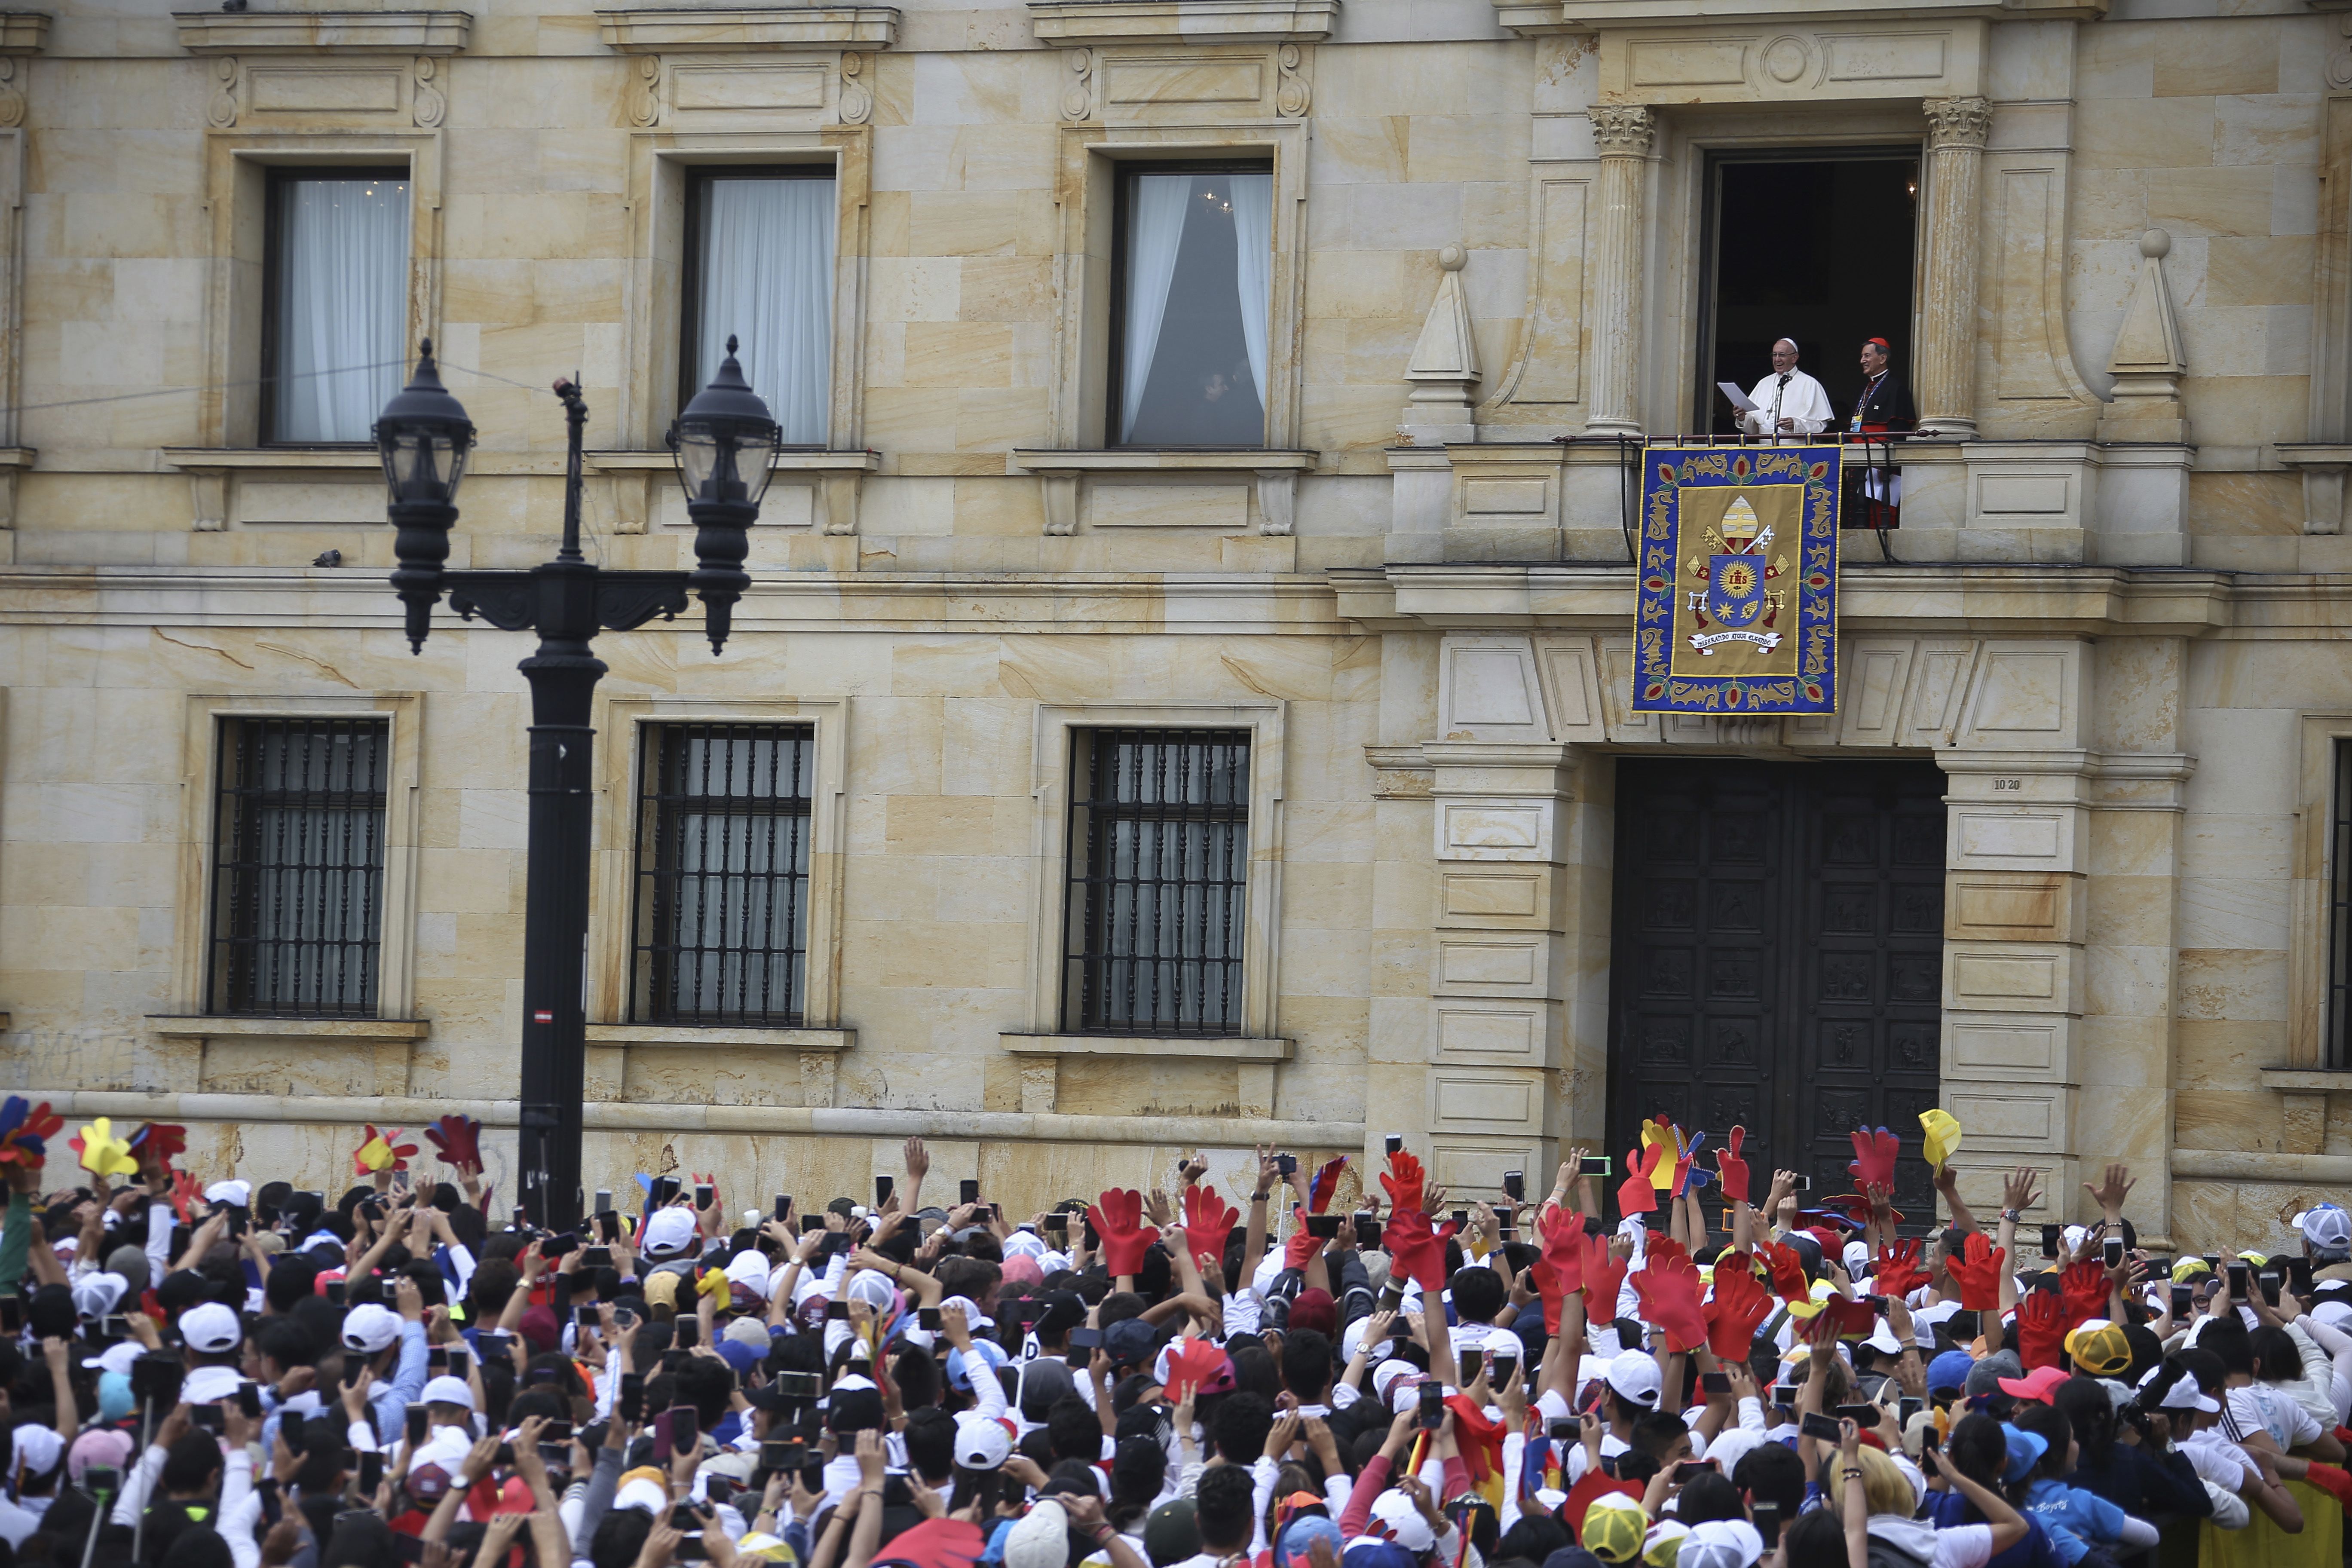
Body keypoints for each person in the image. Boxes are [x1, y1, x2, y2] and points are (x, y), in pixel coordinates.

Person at [1735, 339, 1832, 439]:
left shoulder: (1810, 384)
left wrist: (1796, 424)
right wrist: (1743, 418)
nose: (1777, 359)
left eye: (1782, 355)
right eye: (1774, 355)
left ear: (1794, 358)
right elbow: (1754, 430)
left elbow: (1821, 426)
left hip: (1797, 452)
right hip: (1765, 451)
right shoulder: (1764, 383)